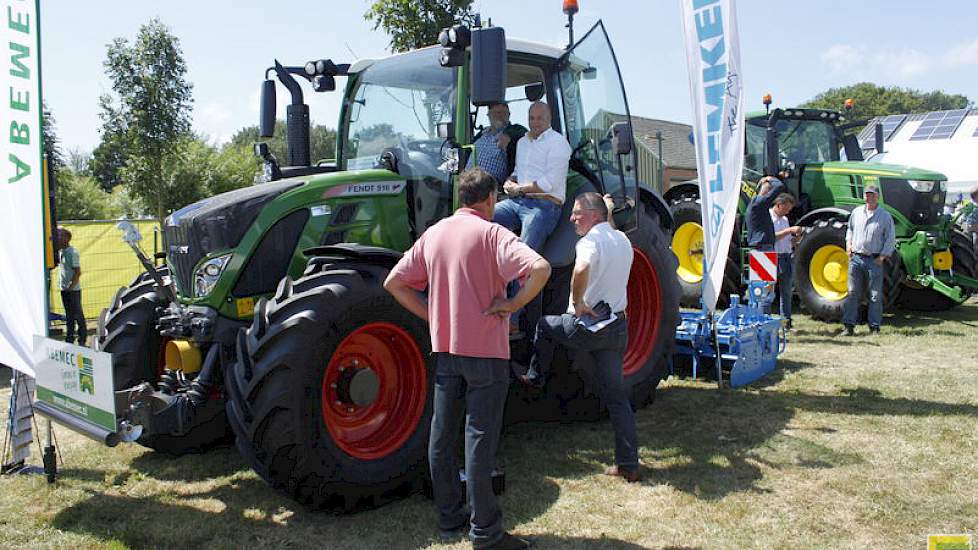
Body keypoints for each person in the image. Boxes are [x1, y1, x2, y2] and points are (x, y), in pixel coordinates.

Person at [385, 167, 550, 550]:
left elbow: (394, 282)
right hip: (487, 355)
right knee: (478, 441)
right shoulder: (493, 233)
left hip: (446, 350)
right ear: (491, 198)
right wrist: (513, 304)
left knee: (441, 436)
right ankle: (487, 533)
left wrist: (431, 315)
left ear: (462, 197)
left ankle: (449, 517)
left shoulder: (436, 232)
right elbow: (540, 268)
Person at [519, 192, 640, 482]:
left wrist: (579, 300)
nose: (572, 218)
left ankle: (535, 378)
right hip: (615, 328)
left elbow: (582, 268)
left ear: (595, 215)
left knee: (545, 325)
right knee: (617, 398)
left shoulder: (588, 242)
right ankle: (629, 465)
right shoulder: (622, 240)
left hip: (587, 325)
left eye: (577, 213)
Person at [493, 101, 572, 253]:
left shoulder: (558, 143)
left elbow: (550, 183)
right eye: (531, 118)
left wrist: (519, 189)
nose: (535, 122)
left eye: (539, 118)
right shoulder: (522, 142)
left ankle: (521, 275)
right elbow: (518, 171)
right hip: (517, 201)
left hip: (544, 205)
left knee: (523, 252)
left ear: (549, 119)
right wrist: (510, 181)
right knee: (483, 217)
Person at [842, 184, 895, 336]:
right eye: (867, 194)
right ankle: (849, 326)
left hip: (874, 260)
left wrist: (882, 257)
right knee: (852, 292)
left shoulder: (885, 216)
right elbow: (850, 229)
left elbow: (890, 238)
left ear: (877, 196)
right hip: (856, 258)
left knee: (875, 295)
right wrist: (848, 246)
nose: (869, 197)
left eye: (872, 194)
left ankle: (874, 327)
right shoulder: (856, 212)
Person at [469, 102, 527, 184]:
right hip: (467, 181)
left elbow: (523, 132)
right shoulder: (481, 134)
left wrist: (509, 135)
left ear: (509, 115)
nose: (499, 116)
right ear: (488, 115)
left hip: (490, 185)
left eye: (503, 113)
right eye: (496, 113)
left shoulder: (513, 131)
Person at [770, 193, 803, 328]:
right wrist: (789, 230)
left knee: (786, 292)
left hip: (785, 256)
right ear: (779, 205)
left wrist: (795, 239)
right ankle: (766, 323)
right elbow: (771, 237)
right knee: (768, 293)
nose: (788, 212)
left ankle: (786, 323)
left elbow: (786, 240)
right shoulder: (767, 218)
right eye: (787, 208)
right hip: (771, 257)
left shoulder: (784, 219)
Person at [57, 227, 87, 347]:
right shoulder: (61, 252)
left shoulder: (72, 252)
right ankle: (69, 339)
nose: (57, 237)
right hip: (65, 289)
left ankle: (82, 338)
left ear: (66, 238)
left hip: (72, 290)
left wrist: (71, 286)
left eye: (59, 235)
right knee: (69, 315)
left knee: (77, 315)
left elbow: (78, 272)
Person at [745, 176, 787, 250]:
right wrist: (770, 178)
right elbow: (779, 186)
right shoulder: (760, 202)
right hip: (762, 246)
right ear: (767, 190)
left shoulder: (756, 204)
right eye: (770, 190)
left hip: (760, 245)